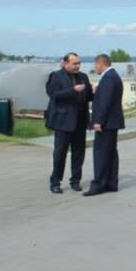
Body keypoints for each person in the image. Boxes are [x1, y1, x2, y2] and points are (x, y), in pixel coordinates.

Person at [45, 52, 93, 193]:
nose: (77, 66)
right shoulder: (56, 76)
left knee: (79, 153)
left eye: (79, 63)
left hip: (80, 121)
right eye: (74, 63)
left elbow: (88, 96)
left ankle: (75, 181)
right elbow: (54, 95)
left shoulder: (83, 77)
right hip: (63, 122)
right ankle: (55, 182)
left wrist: (94, 92)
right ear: (65, 63)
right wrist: (73, 90)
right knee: (60, 153)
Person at [84, 53, 125, 197]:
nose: (95, 68)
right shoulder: (114, 76)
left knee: (101, 153)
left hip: (106, 123)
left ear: (101, 64)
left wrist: (98, 121)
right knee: (111, 153)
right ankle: (111, 182)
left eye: (95, 65)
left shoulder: (108, 78)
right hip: (112, 122)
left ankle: (98, 184)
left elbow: (105, 102)